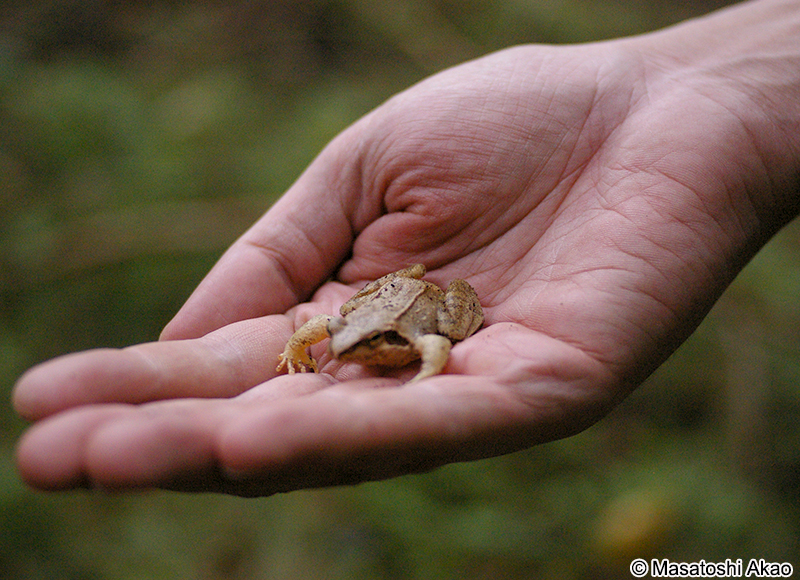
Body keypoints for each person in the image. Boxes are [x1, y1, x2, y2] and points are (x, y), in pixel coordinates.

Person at [12, 0, 800, 496]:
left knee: (457, 315)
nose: (358, 354)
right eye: (356, 348)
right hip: (379, 300)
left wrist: (426, 355)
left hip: (417, 302)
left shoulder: (413, 338)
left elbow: (433, 350)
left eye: (371, 348)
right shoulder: (352, 338)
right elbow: (319, 330)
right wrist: (309, 346)